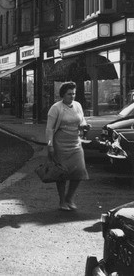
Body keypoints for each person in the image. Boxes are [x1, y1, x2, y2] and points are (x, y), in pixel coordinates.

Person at [45, 81, 90, 211]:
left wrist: (85, 126)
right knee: (62, 173)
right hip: (60, 144)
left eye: (74, 93)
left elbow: (82, 120)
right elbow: (49, 129)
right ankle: (62, 201)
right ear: (63, 95)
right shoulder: (56, 108)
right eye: (69, 94)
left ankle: (70, 198)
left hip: (75, 143)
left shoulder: (78, 105)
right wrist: (50, 146)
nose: (72, 96)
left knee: (79, 171)